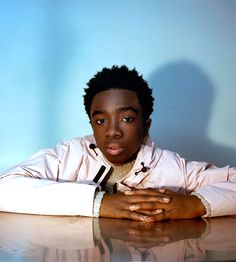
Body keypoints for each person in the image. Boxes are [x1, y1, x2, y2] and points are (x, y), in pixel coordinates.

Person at [0, 65, 235, 222]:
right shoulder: (68, 155)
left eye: (127, 119)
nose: (112, 131)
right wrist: (98, 203)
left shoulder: (173, 168)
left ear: (146, 125)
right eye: (100, 120)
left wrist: (195, 204)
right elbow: (4, 189)